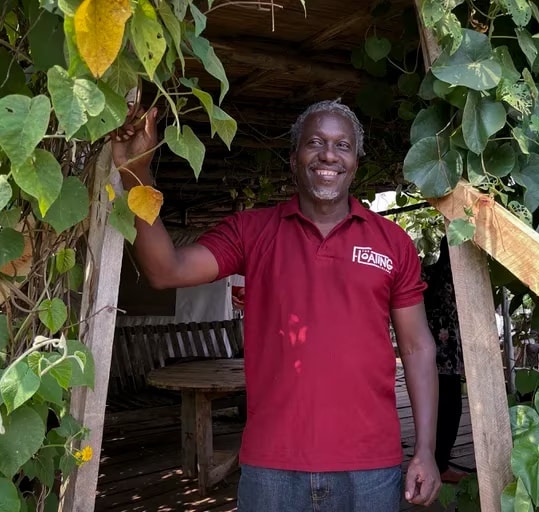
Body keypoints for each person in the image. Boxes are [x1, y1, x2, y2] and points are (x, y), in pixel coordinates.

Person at [112, 99, 441, 511]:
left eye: (342, 146)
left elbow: (417, 347)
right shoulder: (252, 231)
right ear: (293, 158)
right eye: (315, 142)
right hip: (273, 466)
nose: (328, 154)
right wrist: (135, 170)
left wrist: (425, 450)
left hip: (371, 465)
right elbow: (166, 270)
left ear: (356, 161)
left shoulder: (393, 242)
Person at [423, 239, 470, 484]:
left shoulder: (430, 273)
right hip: (445, 358)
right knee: (450, 411)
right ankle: (439, 465)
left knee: (438, 410)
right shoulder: (456, 276)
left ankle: (436, 461)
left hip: (433, 357)